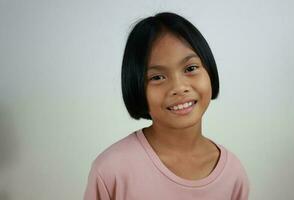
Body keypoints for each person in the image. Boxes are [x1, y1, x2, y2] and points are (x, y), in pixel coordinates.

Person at [83, 12, 250, 200]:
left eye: (190, 68)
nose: (179, 88)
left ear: (209, 71)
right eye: (157, 77)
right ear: (136, 86)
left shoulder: (233, 174)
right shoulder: (111, 171)